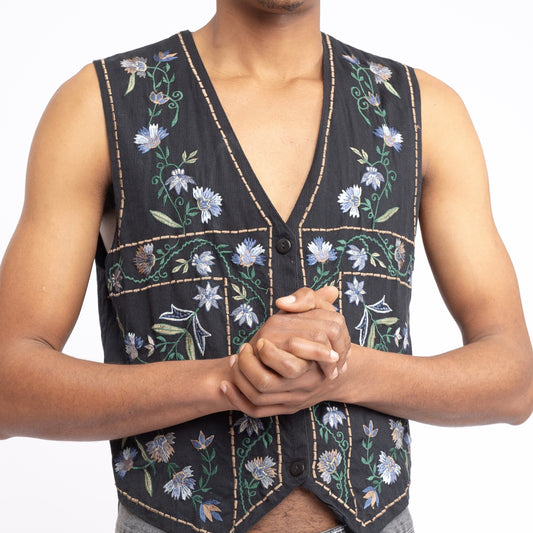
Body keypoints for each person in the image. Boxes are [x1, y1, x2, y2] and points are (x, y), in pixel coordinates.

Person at [0, 1, 531, 532]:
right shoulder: (101, 106)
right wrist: (226, 379)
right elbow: (9, 384)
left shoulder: (420, 112)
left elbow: (513, 380)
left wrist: (345, 372)